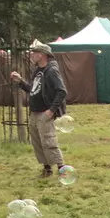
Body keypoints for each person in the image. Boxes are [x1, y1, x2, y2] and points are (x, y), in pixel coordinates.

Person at [8, 40, 67, 180]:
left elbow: (62, 91)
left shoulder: (51, 71)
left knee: (49, 141)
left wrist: (51, 110)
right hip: (34, 112)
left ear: (42, 54)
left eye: (34, 52)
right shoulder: (38, 71)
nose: (31, 55)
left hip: (44, 112)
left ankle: (62, 169)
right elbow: (33, 90)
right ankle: (47, 169)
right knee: (37, 142)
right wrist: (20, 81)